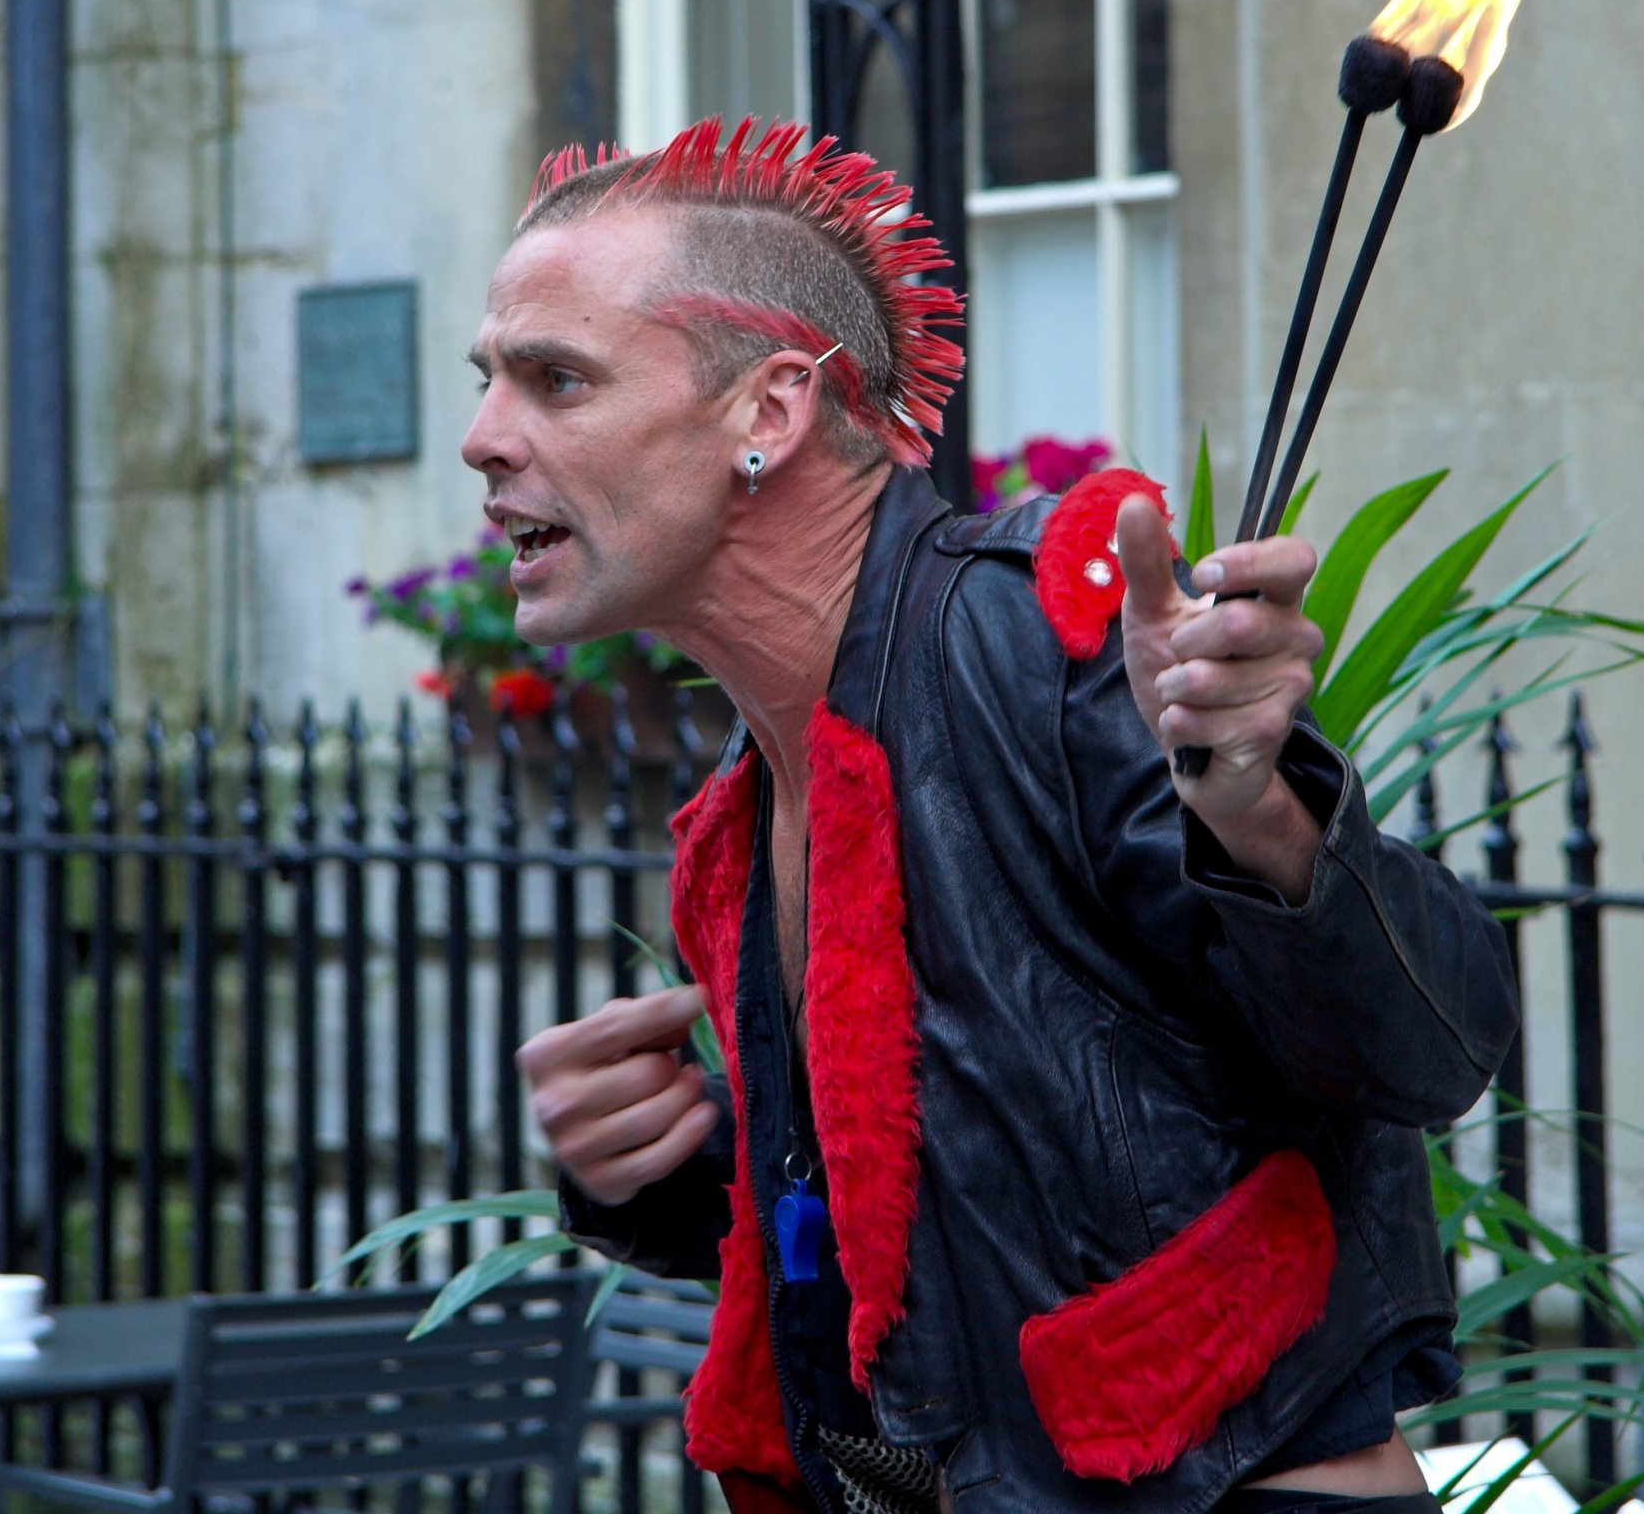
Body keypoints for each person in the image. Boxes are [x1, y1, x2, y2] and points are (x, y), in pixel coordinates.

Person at [467, 119, 1517, 1514]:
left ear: (765, 415)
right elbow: (959, 1199)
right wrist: (664, 1160)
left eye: (555, 381)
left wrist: (1258, 809)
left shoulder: (1048, 635)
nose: (484, 440)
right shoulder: (756, 793)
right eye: (489, 382)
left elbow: (1425, 1052)